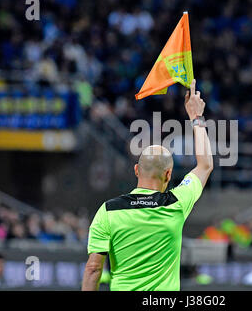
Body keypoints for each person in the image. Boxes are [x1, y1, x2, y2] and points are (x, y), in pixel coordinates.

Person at [82, 79, 213, 291]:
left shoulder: (108, 210)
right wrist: (196, 117)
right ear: (168, 174)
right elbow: (205, 165)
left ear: (136, 170)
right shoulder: (176, 203)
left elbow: (93, 269)